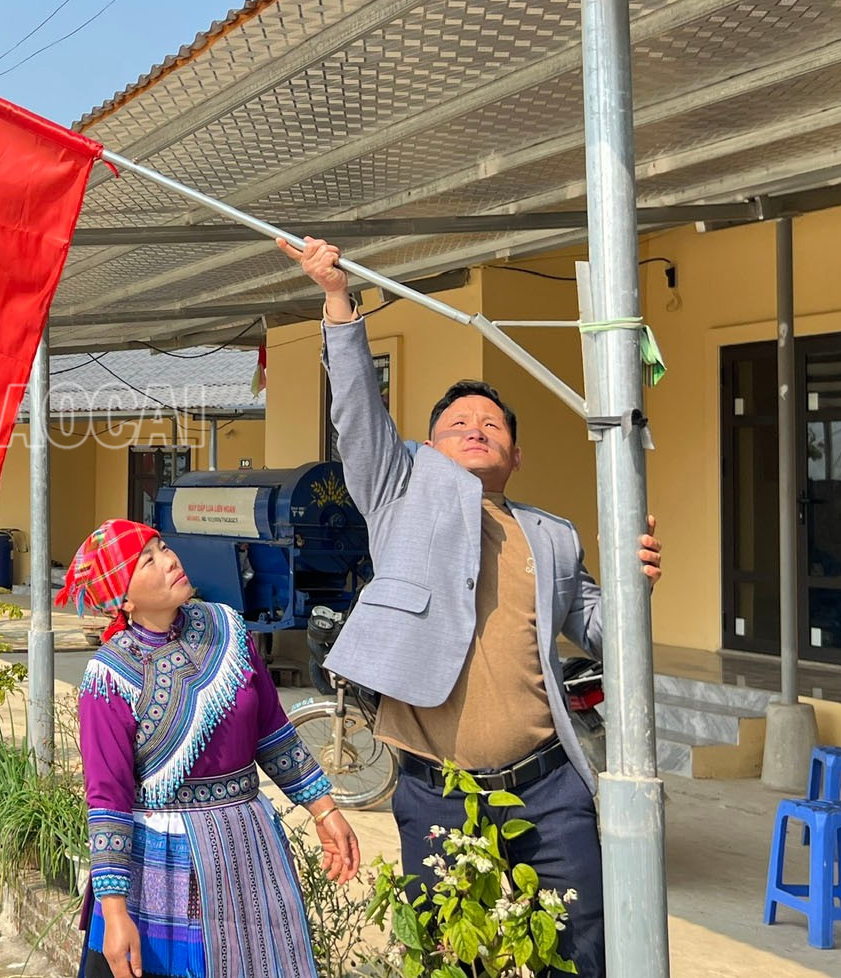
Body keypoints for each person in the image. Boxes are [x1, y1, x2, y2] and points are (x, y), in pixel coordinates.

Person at [278, 236, 663, 978]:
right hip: (438, 790)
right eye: (459, 426)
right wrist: (336, 301)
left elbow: (600, 631)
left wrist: (635, 592)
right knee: (451, 959)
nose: (477, 430)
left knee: (581, 949)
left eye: (493, 426)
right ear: (428, 448)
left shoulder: (551, 535)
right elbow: (357, 413)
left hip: (550, 784)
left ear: (516, 455)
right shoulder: (396, 494)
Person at [67, 518, 360, 978]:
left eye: (163, 547)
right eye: (148, 560)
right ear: (124, 599)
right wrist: (116, 912)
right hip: (164, 859)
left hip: (248, 844)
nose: (169, 561)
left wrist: (325, 810)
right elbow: (108, 801)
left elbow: (272, 731)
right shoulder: (110, 677)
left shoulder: (226, 628)